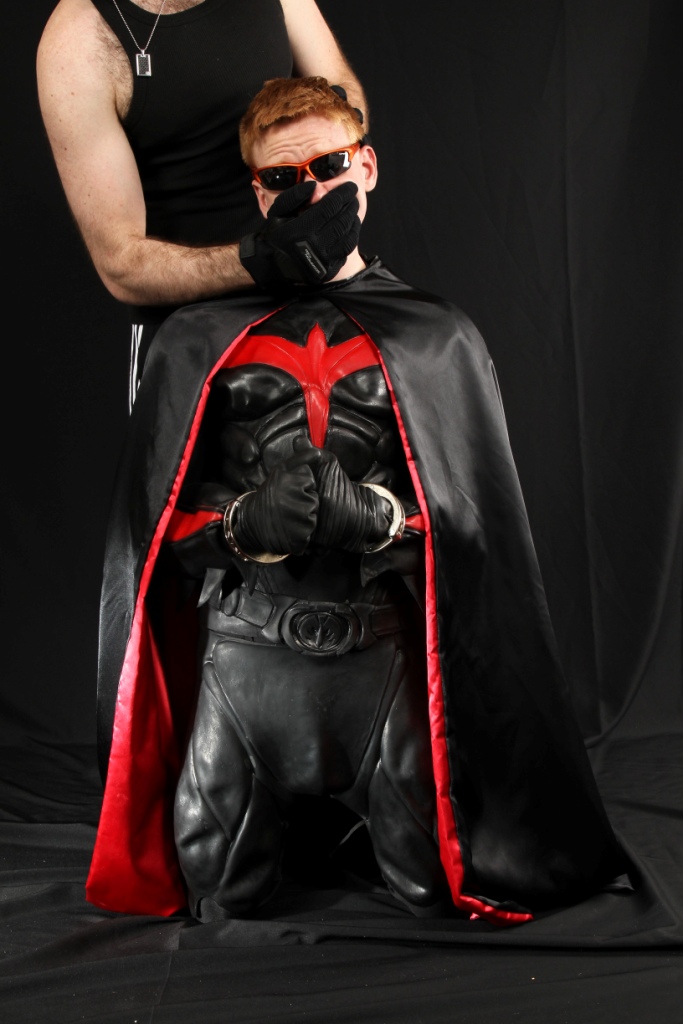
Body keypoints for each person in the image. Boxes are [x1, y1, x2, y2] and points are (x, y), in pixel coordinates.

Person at [85, 77, 629, 924]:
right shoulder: (195, 337)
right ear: (256, 192)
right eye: (281, 178)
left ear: (366, 168)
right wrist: (241, 523)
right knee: (223, 897)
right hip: (245, 663)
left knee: (430, 890)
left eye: (329, 166)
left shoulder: (436, 336)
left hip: (381, 666)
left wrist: (381, 519)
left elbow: (480, 538)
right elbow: (149, 539)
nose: (309, 194)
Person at [36, 0, 367, 408]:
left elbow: (340, 87)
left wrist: (340, 146)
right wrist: (262, 259)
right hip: (191, 351)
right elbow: (121, 265)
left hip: (317, 310)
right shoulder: (78, 42)